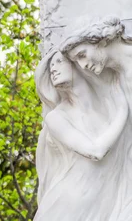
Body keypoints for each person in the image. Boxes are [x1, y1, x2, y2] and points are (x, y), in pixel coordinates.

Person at [34, 50, 127, 220]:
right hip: (71, 204)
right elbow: (95, 151)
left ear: (78, 64)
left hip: (103, 200)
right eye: (51, 66)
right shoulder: (56, 118)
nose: (53, 69)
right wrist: (122, 111)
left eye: (59, 62)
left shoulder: (105, 109)